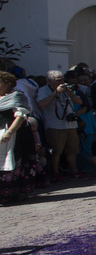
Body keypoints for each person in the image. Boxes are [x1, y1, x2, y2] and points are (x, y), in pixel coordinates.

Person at [0, 70, 47, 203]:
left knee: (13, 162)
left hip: (15, 134)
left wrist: (9, 132)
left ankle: (13, 192)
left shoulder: (16, 96)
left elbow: (20, 116)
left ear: (8, 83)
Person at [37, 70, 83, 182]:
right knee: (56, 151)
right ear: (49, 81)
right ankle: (55, 173)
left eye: (62, 79)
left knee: (72, 150)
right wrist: (55, 93)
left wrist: (71, 94)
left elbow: (79, 102)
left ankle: (74, 171)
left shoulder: (66, 89)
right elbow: (41, 104)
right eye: (58, 80)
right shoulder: (43, 90)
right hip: (55, 126)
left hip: (70, 124)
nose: (62, 82)